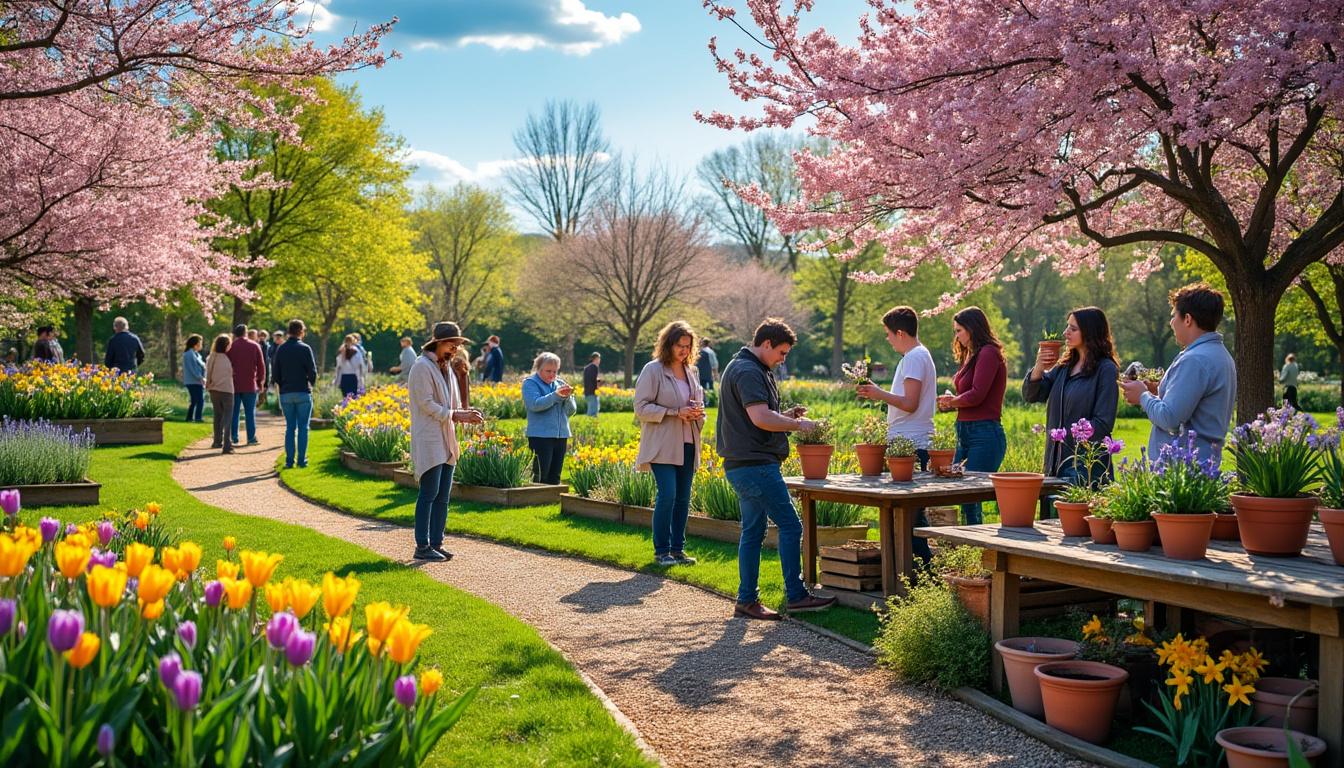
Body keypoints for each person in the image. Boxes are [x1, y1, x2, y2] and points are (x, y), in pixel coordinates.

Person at [717, 318, 836, 621]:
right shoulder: (747, 371)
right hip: (756, 465)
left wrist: (783, 416)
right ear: (766, 344)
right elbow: (759, 418)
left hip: (743, 463)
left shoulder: (748, 367)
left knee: (753, 531)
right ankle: (795, 596)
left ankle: (746, 601)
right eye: (782, 352)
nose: (784, 359)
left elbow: (759, 417)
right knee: (791, 524)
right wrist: (798, 425)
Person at [1121, 283, 1237, 462]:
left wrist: (1143, 396)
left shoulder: (1195, 360)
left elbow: (1170, 419)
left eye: (1174, 315)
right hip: (1202, 465)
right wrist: (1155, 393)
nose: (1171, 322)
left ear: (1188, 319)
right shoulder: (1219, 354)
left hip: (1183, 471)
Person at [856, 306, 936, 562]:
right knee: (912, 517)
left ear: (900, 333)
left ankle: (918, 573)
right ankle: (916, 573)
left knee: (907, 518)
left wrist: (879, 394)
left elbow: (910, 403)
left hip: (911, 444)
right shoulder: (919, 356)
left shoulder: (914, 357)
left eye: (888, 334)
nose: (888, 339)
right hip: (912, 440)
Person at [408, 322, 484, 561]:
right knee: (429, 493)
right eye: (452, 344)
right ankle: (422, 545)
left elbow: (451, 404)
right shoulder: (422, 367)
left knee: (443, 495)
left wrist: (464, 412)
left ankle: (436, 542)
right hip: (430, 436)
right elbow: (426, 404)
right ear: (438, 343)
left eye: (458, 344)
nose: (455, 348)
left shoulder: (446, 367)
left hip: (446, 436)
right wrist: (456, 414)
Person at [1023, 307, 1120, 493]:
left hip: (1086, 466)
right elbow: (1032, 395)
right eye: (1067, 327)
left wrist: (1066, 435)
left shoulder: (1105, 369)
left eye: (1073, 329)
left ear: (1090, 332)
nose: (1065, 333)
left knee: (1078, 520)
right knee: (1050, 518)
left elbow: (1103, 423)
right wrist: (1039, 367)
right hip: (1054, 463)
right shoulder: (1064, 368)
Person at [635, 323, 706, 567]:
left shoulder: (692, 372)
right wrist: (675, 412)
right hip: (663, 444)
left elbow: (699, 406)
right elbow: (641, 408)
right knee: (668, 494)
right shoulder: (653, 370)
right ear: (668, 344)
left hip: (688, 442)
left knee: (683, 498)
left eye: (688, 346)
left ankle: (678, 550)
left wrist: (698, 414)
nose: (684, 351)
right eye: (679, 345)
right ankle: (661, 551)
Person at [937, 307, 1007, 525]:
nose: (956, 336)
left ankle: (977, 547)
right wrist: (953, 402)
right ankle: (969, 545)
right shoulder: (972, 355)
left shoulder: (988, 352)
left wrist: (953, 402)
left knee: (971, 492)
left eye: (959, 331)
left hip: (984, 433)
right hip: (965, 431)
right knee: (962, 492)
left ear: (972, 329)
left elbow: (977, 394)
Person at [522, 352, 577, 485]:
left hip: (561, 435)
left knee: (555, 474)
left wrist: (568, 398)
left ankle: (553, 500)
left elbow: (571, 411)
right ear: (538, 369)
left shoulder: (560, 383)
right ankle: (536, 499)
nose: (552, 374)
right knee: (541, 473)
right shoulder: (530, 383)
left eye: (555, 371)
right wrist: (556, 396)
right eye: (548, 371)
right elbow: (535, 404)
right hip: (541, 436)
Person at [272, 319, 318, 468]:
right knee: (303, 427)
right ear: (301, 331)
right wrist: (311, 383)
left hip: (286, 393)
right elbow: (312, 371)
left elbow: (275, 372)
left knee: (290, 428)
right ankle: (301, 460)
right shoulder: (305, 348)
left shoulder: (281, 349)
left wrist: (282, 384)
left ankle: (289, 461)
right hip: (302, 391)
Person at [226, 324, 265, 446]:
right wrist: (260, 382)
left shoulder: (231, 347)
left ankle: (234, 437)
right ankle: (251, 437)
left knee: (234, 412)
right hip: (250, 384)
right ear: (246, 332)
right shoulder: (254, 345)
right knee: (250, 413)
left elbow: (227, 365)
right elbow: (261, 366)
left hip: (234, 384)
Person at [205, 334, 235, 454]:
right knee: (227, 417)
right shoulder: (228, 358)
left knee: (217, 415)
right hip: (227, 390)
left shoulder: (212, 356)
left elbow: (208, 372)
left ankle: (217, 441)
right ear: (226, 345)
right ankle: (227, 445)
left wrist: (208, 385)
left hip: (214, 389)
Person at [182, 335, 207, 423]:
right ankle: (198, 418)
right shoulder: (189, 354)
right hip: (193, 381)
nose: (201, 345)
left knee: (195, 400)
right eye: (200, 343)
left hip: (197, 381)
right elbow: (193, 368)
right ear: (195, 344)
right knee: (199, 400)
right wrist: (200, 377)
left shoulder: (196, 354)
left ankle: (190, 417)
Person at [583, 352, 603, 417]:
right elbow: (594, 380)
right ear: (596, 359)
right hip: (593, 392)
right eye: (599, 358)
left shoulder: (586, 368)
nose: (599, 360)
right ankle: (592, 424)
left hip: (587, 391)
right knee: (594, 411)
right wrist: (599, 382)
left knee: (590, 408)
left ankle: (589, 423)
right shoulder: (595, 367)